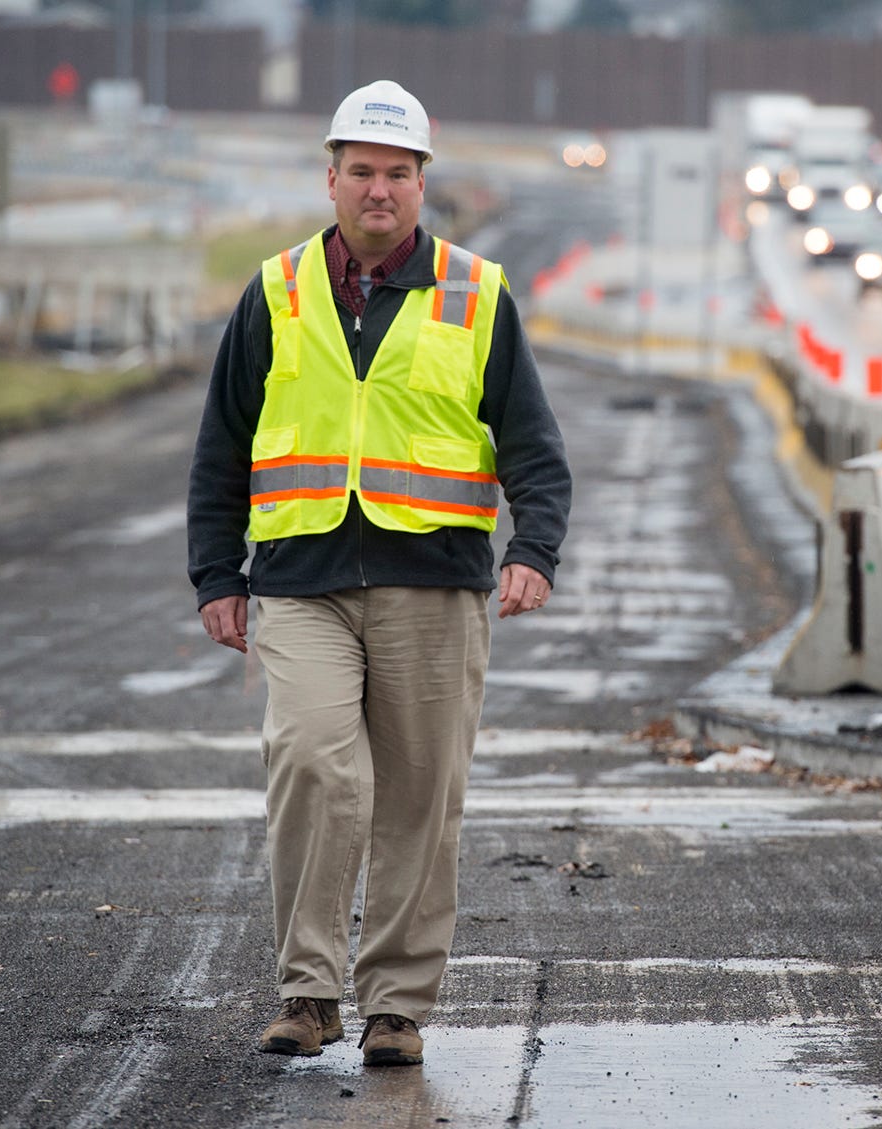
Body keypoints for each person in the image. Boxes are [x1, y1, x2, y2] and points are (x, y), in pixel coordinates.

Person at [185, 79, 571, 1067]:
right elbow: (223, 444)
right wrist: (214, 574)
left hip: (435, 585)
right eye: (360, 171)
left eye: (397, 173)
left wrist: (532, 551)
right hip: (300, 580)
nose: (378, 190)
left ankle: (395, 1006)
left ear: (421, 181)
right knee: (316, 763)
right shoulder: (275, 292)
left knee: (418, 796)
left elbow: (531, 445)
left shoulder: (475, 293)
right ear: (331, 178)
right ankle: (309, 992)